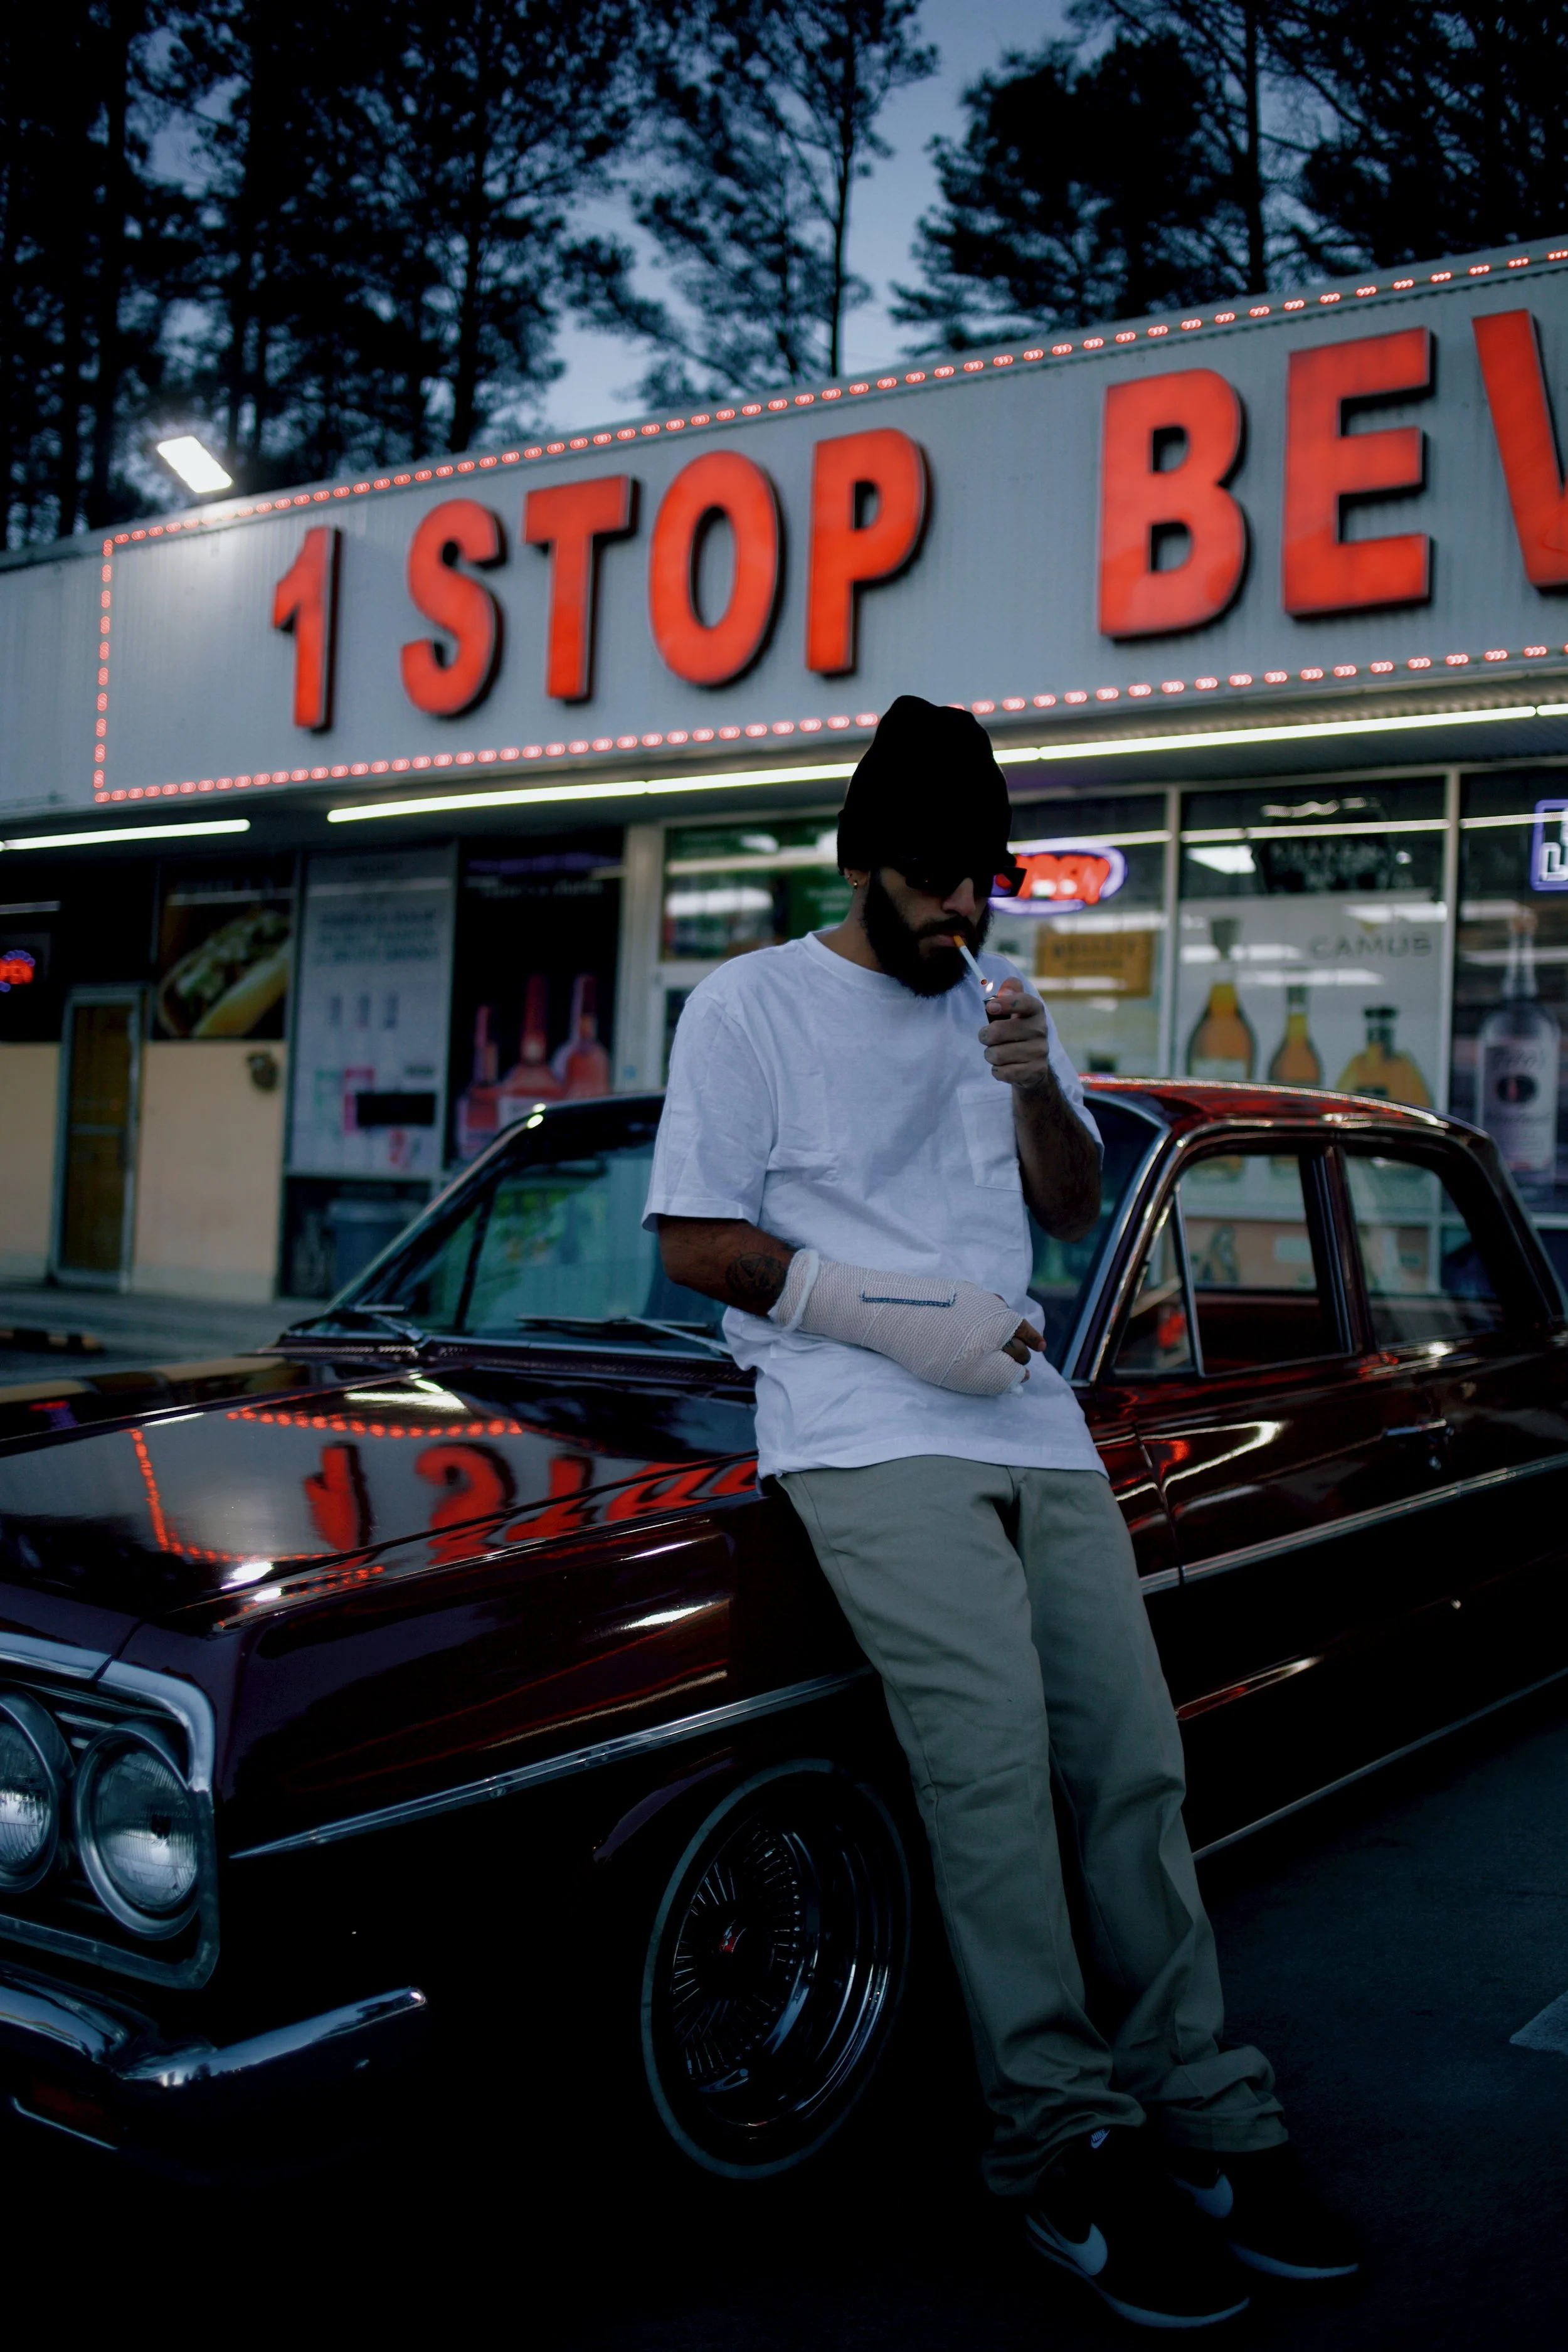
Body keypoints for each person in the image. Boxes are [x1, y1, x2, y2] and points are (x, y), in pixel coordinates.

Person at [644, 696, 1360, 2331]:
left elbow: (1058, 1202)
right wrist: (895, 1317)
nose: (963, 911)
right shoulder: (748, 1004)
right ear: (862, 860)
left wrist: (1039, 1087)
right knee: (985, 1773)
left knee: (1131, 1765)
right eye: (934, 882)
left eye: (983, 880)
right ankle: (1055, 2140)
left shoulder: (993, 996)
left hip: (1030, 1418)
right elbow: (693, 1240)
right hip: (858, 1419)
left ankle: (1208, 2114)